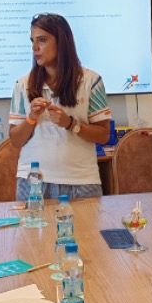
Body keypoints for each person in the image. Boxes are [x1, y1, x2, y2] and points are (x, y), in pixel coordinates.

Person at [9, 13, 112, 199]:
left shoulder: (91, 81)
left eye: (42, 40)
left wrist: (71, 124)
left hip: (81, 180)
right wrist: (31, 118)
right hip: (33, 181)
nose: (34, 47)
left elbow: (104, 135)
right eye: (32, 41)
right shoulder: (23, 84)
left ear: (62, 42)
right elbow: (15, 140)